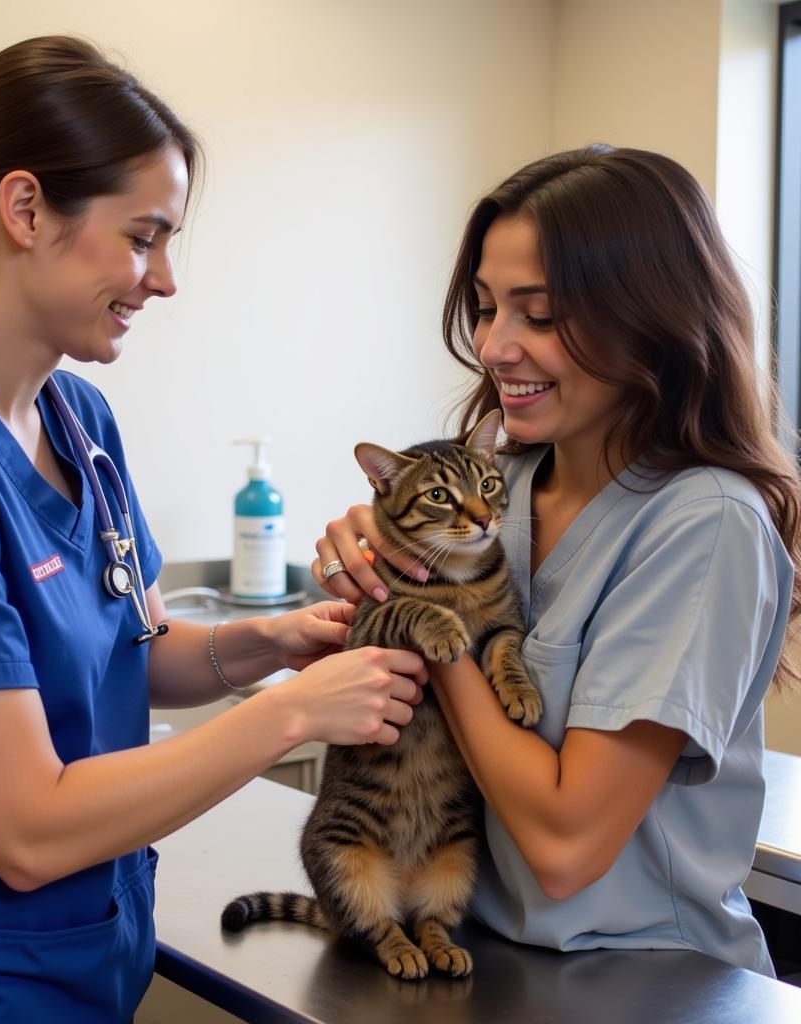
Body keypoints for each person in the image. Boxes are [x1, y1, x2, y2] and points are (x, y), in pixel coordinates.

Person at [0, 36, 428, 1022]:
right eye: (143, 235)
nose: (163, 279)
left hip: (78, 970)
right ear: (27, 209)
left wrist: (280, 640)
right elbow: (23, 827)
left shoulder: (79, 423)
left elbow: (137, 646)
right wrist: (293, 715)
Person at [313, 145, 801, 978]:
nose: (494, 346)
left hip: (644, 980)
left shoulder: (703, 522)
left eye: (537, 315)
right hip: (478, 948)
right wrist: (375, 571)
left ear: (652, 316)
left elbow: (564, 844)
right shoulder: (500, 484)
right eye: (485, 307)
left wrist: (441, 630)